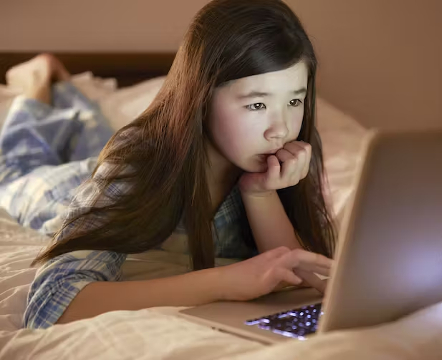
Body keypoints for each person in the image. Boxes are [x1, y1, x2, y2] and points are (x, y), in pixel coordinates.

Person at [0, 0, 336, 330]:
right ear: (201, 97)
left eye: (294, 100)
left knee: (100, 137)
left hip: (123, 157)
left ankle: (73, 100)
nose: (280, 129)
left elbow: (299, 272)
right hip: (70, 187)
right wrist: (222, 281)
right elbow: (51, 302)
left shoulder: (292, 154)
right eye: (257, 104)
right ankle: (38, 81)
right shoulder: (137, 167)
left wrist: (260, 195)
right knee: (16, 170)